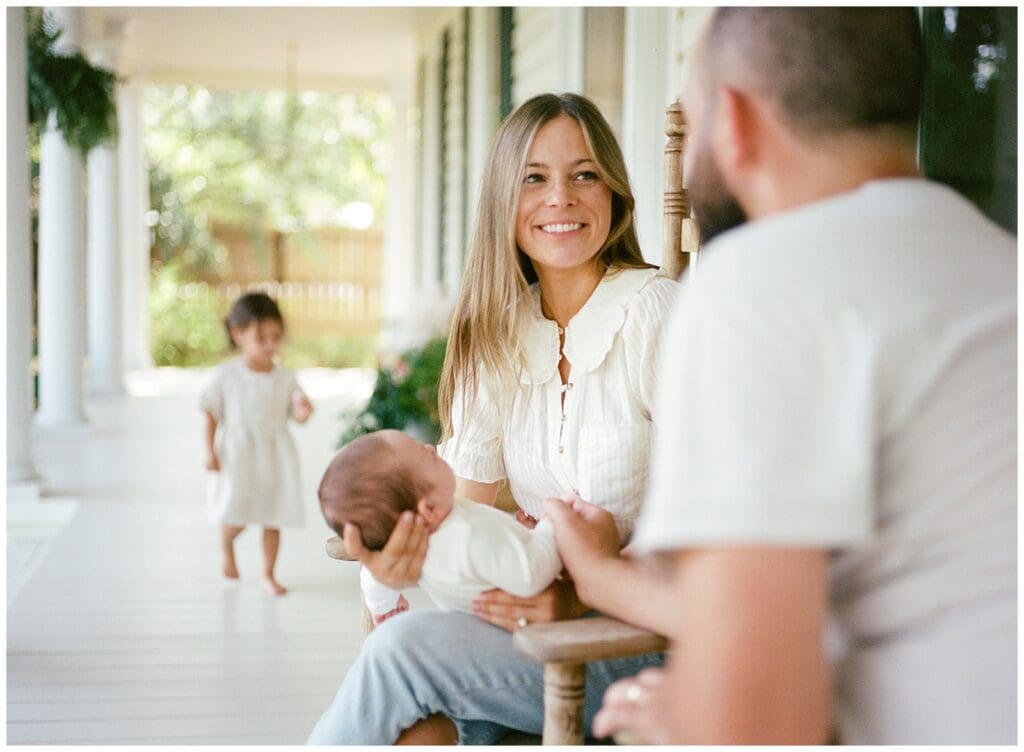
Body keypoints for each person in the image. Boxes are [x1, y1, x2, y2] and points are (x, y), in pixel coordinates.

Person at [545, 8, 1017, 745]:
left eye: (691, 119)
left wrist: (685, 721)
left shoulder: (759, 283)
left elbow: (754, 728)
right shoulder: (1000, 267)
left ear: (731, 121)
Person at [307, 93, 678, 744]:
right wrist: (397, 571)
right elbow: (452, 513)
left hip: (651, 643)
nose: (560, 197)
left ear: (614, 194)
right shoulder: (496, 336)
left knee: (403, 658)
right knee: (407, 698)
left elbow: (712, 530)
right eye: (534, 178)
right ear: (503, 201)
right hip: (536, 643)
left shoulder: (654, 315)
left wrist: (588, 593)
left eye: (584, 174)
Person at [319, 429, 562, 618]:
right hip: (522, 631)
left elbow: (375, 577)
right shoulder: (469, 535)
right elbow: (532, 574)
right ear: (430, 509)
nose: (430, 447)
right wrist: (552, 527)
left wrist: (383, 606)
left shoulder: (418, 547)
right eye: (426, 456)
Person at [200, 291, 314, 597]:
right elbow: (210, 411)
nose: (270, 345)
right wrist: (208, 449)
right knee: (237, 509)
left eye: (275, 336)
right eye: (261, 338)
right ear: (238, 335)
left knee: (273, 513)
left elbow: (297, 411)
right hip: (239, 454)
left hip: (275, 454)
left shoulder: (285, 377)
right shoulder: (227, 375)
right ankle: (226, 543)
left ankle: (268, 572)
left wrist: (303, 411)